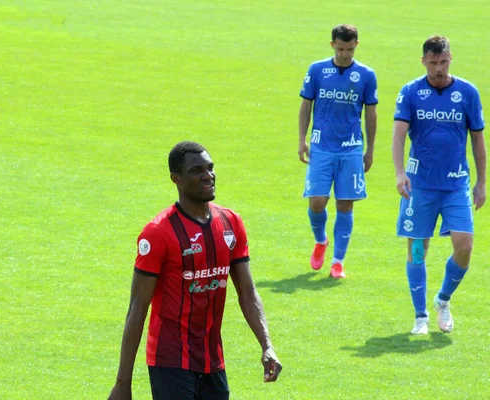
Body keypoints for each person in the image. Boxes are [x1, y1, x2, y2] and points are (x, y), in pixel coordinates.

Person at [108, 141, 282, 399]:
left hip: (213, 361)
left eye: (210, 168)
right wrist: (123, 383)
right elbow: (137, 307)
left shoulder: (230, 223)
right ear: (176, 178)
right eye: (197, 170)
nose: (208, 175)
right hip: (170, 361)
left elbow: (247, 291)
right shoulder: (158, 232)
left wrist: (267, 345)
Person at [392, 35, 486, 335]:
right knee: (418, 249)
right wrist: (399, 172)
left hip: (457, 184)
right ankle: (420, 316)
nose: (438, 69)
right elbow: (397, 136)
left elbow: (478, 140)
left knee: (465, 247)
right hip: (419, 185)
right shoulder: (410, 92)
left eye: (443, 62)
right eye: (433, 63)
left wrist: (482, 182)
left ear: (450, 58)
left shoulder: (468, 92)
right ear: (423, 61)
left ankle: (442, 300)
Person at [298, 24, 378, 278]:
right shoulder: (317, 70)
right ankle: (321, 241)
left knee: (345, 205)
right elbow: (306, 106)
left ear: (357, 45)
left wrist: (370, 149)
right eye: (341, 49)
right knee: (317, 201)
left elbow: (371, 113)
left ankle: (338, 261)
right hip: (321, 146)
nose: (345, 54)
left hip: (351, 148)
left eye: (350, 49)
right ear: (332, 45)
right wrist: (302, 138)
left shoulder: (366, 74)